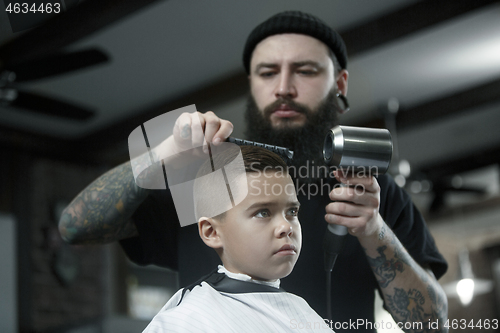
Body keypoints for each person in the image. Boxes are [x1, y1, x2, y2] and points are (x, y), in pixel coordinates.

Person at [59, 11, 448, 332]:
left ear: (339, 84)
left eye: (305, 71)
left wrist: (373, 229)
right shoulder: (208, 181)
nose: (283, 88)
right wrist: (162, 154)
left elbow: (431, 324)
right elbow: (75, 227)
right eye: (267, 73)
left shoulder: (373, 192)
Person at [142, 145, 334, 332]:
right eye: (263, 213)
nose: (286, 227)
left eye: (292, 211)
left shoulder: (305, 314)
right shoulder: (185, 322)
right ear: (212, 232)